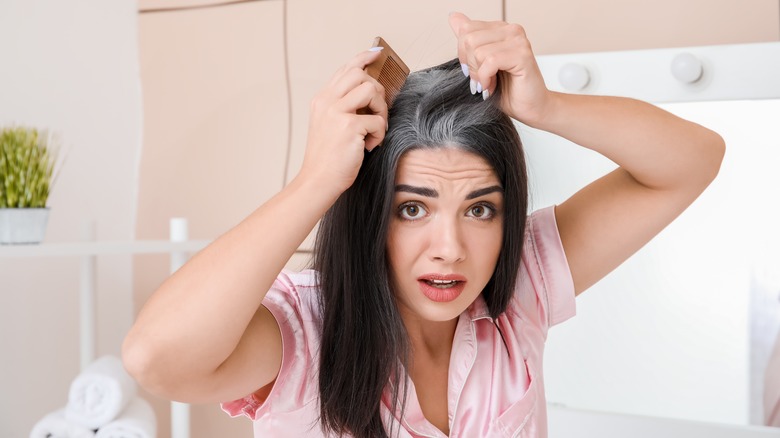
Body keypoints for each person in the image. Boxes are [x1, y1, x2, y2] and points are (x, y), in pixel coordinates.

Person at [122, 12, 725, 438]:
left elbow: (691, 161)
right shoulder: (303, 332)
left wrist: (550, 108)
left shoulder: (522, 287)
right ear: (371, 212)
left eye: (480, 209)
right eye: (413, 208)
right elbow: (156, 358)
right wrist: (315, 182)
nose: (450, 249)